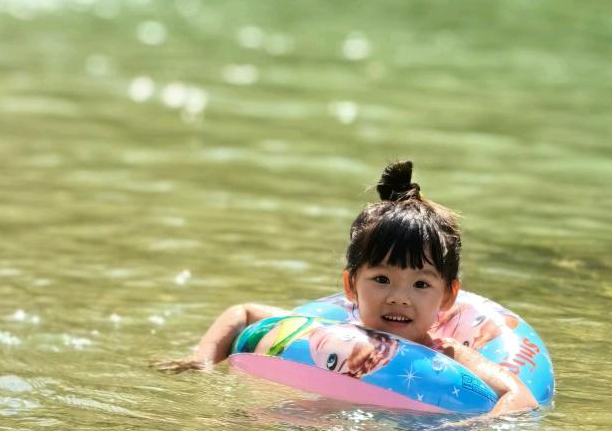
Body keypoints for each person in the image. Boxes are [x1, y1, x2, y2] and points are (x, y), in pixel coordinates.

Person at [159, 161, 538, 417]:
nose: (399, 297)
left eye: (421, 284)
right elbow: (242, 313)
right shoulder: (333, 335)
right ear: (350, 285)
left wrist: (476, 429)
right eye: (381, 279)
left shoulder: (449, 354)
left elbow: (519, 395)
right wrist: (202, 360)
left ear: (448, 296)